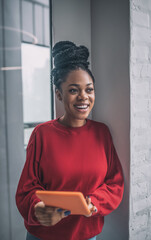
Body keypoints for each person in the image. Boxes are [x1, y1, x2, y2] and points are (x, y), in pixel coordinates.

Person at [16, 41, 124, 240]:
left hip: (88, 236)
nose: (83, 97)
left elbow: (114, 183)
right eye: (74, 90)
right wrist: (37, 208)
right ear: (59, 94)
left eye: (89, 90)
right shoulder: (41, 134)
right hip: (43, 236)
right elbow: (25, 191)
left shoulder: (102, 133)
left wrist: (93, 202)